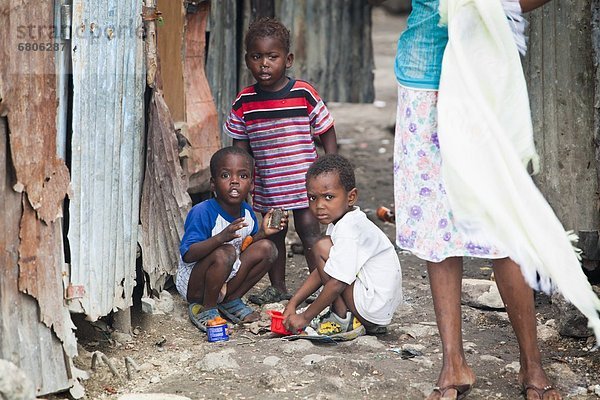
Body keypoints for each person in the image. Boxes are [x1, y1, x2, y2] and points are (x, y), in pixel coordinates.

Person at [392, 1, 558, 399]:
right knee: (436, 224)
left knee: (502, 226)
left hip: (482, 74)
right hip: (424, 70)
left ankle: (532, 365)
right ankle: (453, 365)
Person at [224, 17, 338, 305]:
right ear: (247, 60)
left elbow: (326, 130)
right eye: (256, 56)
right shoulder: (244, 102)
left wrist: (332, 167)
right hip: (270, 185)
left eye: (272, 57)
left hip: (305, 184)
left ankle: (323, 283)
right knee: (274, 236)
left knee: (311, 234)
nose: (264, 64)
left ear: (287, 59)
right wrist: (244, 182)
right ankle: (279, 287)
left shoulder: (303, 94)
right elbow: (240, 150)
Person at [283, 154, 402, 338]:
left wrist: (305, 317)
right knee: (323, 248)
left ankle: (341, 317)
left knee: (322, 246)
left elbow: (337, 281)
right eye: (312, 198)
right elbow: (327, 270)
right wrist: (293, 303)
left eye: (329, 197)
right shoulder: (345, 221)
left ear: (351, 197)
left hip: (372, 306)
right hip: (377, 308)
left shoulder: (348, 229)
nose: (319, 205)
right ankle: (348, 315)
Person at [176, 146, 287, 332]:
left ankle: (230, 300)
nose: (234, 182)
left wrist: (262, 234)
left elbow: (244, 247)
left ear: (251, 184)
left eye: (243, 176)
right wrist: (221, 238)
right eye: (226, 175)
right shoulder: (202, 212)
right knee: (225, 251)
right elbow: (188, 254)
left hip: (225, 277)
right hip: (194, 285)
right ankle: (208, 308)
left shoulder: (247, 213)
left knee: (268, 248)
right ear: (213, 183)